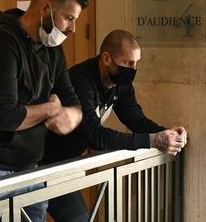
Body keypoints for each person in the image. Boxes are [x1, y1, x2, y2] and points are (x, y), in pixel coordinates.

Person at [0, 0, 87, 221]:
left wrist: (73, 115)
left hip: (31, 168)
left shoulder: (52, 48)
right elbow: (5, 117)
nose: (73, 29)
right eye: (69, 18)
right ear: (46, 9)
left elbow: (73, 101)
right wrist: (50, 108)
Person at [40, 29, 188, 221]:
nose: (133, 69)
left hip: (63, 166)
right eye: (128, 63)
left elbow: (136, 120)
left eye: (136, 64)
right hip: (38, 164)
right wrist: (152, 140)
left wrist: (166, 132)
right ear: (107, 58)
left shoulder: (121, 83)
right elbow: (94, 135)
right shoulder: (80, 80)